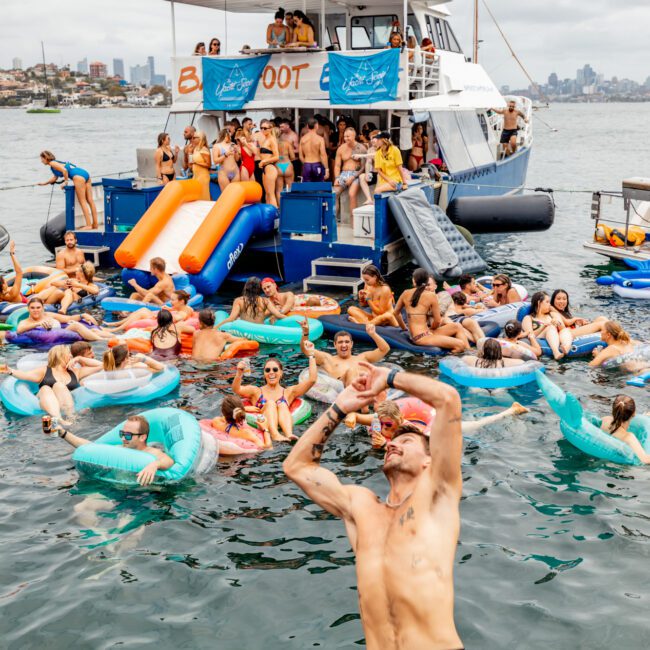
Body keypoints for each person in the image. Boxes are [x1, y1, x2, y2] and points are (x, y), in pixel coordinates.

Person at [283, 363, 465, 650]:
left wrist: (390, 379)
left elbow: (448, 400)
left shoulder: (438, 495)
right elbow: (296, 467)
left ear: (428, 461)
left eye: (405, 441)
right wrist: (340, 407)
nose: (392, 445)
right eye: (393, 441)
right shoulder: (361, 506)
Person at [345, 394, 529, 447]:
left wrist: (386, 446)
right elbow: (359, 417)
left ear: (400, 420)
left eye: (388, 425)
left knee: (475, 426)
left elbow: (421, 447)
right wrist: (352, 417)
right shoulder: (379, 422)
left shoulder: (409, 430)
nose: (384, 428)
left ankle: (511, 410)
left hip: (437, 429)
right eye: (382, 423)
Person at [52, 415, 174, 486]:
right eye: (122, 433)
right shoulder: (119, 449)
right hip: (114, 487)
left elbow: (168, 461)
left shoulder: (151, 453)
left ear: (142, 437)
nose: (122, 438)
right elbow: (91, 448)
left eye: (128, 435)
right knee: (81, 508)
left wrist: (154, 465)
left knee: (125, 521)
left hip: (140, 494)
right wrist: (62, 433)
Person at [0, 344, 101, 426]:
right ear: (60, 355)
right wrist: (9, 370)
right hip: (46, 399)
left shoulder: (76, 372)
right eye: (69, 354)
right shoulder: (45, 370)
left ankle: (71, 418)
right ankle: (59, 419)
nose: (71, 357)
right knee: (45, 388)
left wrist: (79, 359)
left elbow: (101, 365)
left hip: (67, 403)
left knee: (59, 386)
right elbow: (25, 375)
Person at [233, 354, 317, 441]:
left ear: (281, 373)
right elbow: (237, 389)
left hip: (283, 418)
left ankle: (288, 434)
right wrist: (239, 372)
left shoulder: (288, 392)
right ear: (264, 374)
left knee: (282, 404)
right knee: (271, 403)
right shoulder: (256, 391)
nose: (271, 372)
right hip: (264, 425)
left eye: (275, 369)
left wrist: (311, 355)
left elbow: (312, 380)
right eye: (267, 370)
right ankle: (275, 435)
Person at [394, 268, 469, 352]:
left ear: (414, 281)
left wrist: (404, 328)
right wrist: (433, 329)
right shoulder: (430, 296)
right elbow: (437, 321)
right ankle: (451, 360)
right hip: (421, 337)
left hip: (423, 334)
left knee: (457, 326)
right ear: (426, 281)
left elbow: (396, 313)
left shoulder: (405, 293)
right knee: (460, 345)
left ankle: (470, 353)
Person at [300, 321, 390, 385]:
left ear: (351, 344)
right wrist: (305, 334)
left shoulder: (363, 357)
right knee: (352, 371)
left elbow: (384, 349)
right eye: (340, 342)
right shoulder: (327, 359)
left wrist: (373, 334)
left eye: (347, 342)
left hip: (366, 387)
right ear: (335, 345)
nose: (344, 345)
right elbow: (306, 349)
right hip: (343, 389)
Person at [39, 151, 98, 230]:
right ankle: (95, 224)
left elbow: (65, 171)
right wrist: (44, 183)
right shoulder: (54, 165)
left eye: (42, 158)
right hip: (84, 174)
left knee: (83, 201)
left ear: (46, 158)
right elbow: (55, 178)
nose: (41, 161)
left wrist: (66, 182)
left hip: (78, 177)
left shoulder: (53, 163)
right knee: (90, 200)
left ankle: (88, 225)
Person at [17, 296, 109, 342]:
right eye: (32, 308)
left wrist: (83, 315)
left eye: (38, 307)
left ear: (42, 308)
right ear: (28, 309)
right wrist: (37, 324)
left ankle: (117, 337)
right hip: (53, 339)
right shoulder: (25, 321)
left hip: (63, 333)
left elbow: (68, 318)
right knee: (76, 326)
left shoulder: (48, 314)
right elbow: (19, 330)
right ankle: (102, 341)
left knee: (93, 330)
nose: (35, 310)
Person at [103, 289, 193, 332]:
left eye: (173, 300)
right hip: (161, 318)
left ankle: (116, 329)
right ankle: (116, 324)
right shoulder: (183, 307)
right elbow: (176, 311)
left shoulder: (183, 312)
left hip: (160, 321)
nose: (171, 301)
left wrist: (159, 315)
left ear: (181, 301)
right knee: (143, 309)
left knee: (142, 311)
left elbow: (177, 317)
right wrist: (169, 309)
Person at [215, 277, 287, 329]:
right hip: (261, 331)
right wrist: (292, 319)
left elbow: (231, 318)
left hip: (246, 331)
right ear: (259, 288)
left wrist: (216, 328)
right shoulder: (265, 301)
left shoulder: (239, 300)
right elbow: (279, 315)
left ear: (246, 287)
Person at [522, 291, 572, 360]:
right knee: (550, 327)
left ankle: (566, 347)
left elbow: (562, 329)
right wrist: (544, 327)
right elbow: (530, 335)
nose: (550, 305)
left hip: (556, 337)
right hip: (540, 339)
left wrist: (557, 322)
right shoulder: (528, 318)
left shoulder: (553, 314)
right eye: (547, 302)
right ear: (539, 303)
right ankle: (556, 352)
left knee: (566, 330)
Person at [601, 395, 650, 464]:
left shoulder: (605, 420)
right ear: (634, 413)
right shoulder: (628, 437)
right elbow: (645, 460)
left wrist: (645, 416)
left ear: (613, 410)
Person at [333, 127, 365, 215]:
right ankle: (333, 220)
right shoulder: (341, 148)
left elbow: (363, 167)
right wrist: (337, 178)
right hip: (343, 174)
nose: (346, 138)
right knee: (334, 193)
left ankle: (353, 221)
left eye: (348, 136)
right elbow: (337, 165)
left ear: (354, 136)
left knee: (351, 194)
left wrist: (353, 176)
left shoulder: (361, 148)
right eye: (345, 136)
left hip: (356, 174)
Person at [299, 117, 329, 182]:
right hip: (317, 164)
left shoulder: (303, 139)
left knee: (307, 188)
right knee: (319, 187)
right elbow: (323, 155)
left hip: (306, 164)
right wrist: (327, 169)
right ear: (316, 126)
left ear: (307, 126)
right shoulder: (320, 139)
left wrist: (306, 165)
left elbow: (300, 156)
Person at [259, 121, 280, 208]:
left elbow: (277, 156)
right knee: (267, 194)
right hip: (265, 168)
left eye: (265, 128)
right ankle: (269, 217)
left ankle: (275, 217)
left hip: (270, 167)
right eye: (261, 128)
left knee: (271, 195)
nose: (263, 130)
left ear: (270, 129)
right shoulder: (265, 139)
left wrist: (264, 161)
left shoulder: (272, 140)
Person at [191, 131, 212, 200]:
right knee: (198, 196)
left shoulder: (204, 149)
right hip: (196, 175)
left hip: (203, 176)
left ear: (200, 139)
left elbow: (209, 164)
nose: (192, 139)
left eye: (194, 138)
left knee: (203, 196)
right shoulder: (196, 149)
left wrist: (197, 163)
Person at [276, 126, 295, 203]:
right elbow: (293, 157)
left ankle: (281, 209)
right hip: (287, 165)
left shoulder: (273, 144)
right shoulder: (287, 143)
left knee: (278, 190)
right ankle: (290, 207)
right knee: (290, 189)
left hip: (277, 166)